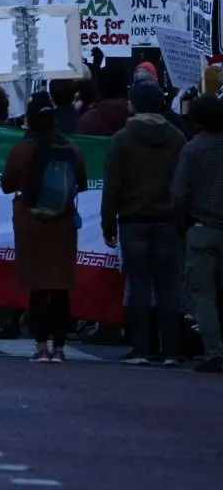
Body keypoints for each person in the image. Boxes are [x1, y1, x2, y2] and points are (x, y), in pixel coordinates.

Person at [100, 80, 187, 364]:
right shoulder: (177, 138)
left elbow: (112, 185)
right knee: (167, 286)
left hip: (132, 220)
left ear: (134, 104)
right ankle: (171, 350)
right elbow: (183, 183)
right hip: (167, 219)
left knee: (138, 285)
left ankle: (140, 348)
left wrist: (107, 224)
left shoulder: (123, 138)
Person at [0, 94, 86, 363]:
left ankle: (40, 347)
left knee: (36, 286)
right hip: (62, 224)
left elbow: (6, 184)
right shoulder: (71, 148)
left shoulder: (22, 149)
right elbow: (81, 183)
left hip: (31, 223)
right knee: (60, 287)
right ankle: (59, 348)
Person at [173, 95, 223, 373]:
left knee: (204, 296)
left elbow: (179, 193)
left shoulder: (193, 149)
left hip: (201, 228)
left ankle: (214, 352)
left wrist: (182, 222)